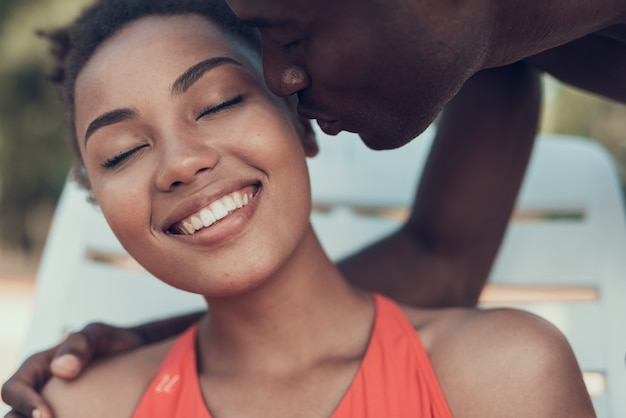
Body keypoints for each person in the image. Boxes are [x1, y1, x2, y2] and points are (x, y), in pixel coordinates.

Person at [4, 0, 600, 415]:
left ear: (303, 120)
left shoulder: (508, 374)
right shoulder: (79, 407)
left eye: (218, 103)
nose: (180, 163)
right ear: (98, 202)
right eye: (124, 152)